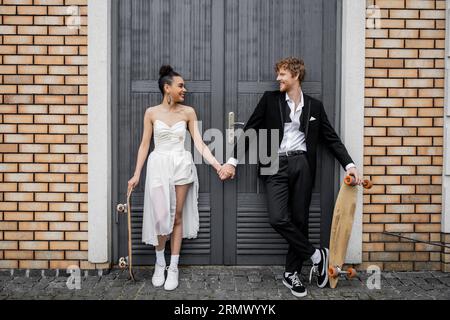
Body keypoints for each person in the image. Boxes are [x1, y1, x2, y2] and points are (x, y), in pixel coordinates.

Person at [218, 57, 363, 298]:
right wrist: (232, 161)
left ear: (296, 75)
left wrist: (349, 165)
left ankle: (291, 274)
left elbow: (331, 138)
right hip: (274, 163)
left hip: (302, 164)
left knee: (300, 220)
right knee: (278, 218)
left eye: (282, 74)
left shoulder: (314, 107)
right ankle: (317, 256)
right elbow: (251, 129)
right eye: (278, 74)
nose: (278, 78)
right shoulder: (270, 100)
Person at [128, 65, 224, 291]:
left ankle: (173, 267)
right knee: (161, 217)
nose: (185, 89)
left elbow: (199, 143)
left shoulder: (188, 112)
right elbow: (144, 145)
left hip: (181, 164)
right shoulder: (151, 113)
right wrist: (136, 174)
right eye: (180, 86)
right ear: (166, 87)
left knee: (177, 216)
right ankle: (159, 263)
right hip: (158, 164)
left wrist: (217, 165)